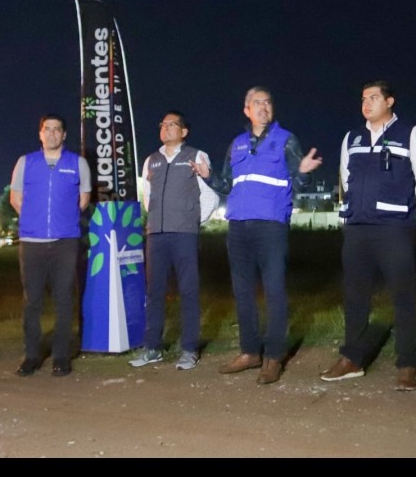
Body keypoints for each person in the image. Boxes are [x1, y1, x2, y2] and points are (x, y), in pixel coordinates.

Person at [192, 86, 322, 384]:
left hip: (271, 226)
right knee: (242, 291)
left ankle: (273, 357)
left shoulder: (286, 140)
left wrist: (304, 171)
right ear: (246, 110)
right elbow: (227, 185)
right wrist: (208, 176)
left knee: (274, 290)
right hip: (238, 226)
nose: (263, 107)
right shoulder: (237, 144)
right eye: (257, 103)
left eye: (267, 102)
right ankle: (250, 352)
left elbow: (300, 184)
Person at [320, 80, 416, 391]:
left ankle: (408, 363)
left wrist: (403, 211)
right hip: (357, 228)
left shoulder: (411, 134)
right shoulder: (352, 138)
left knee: (403, 296)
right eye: (363, 98)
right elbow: (346, 178)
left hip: (394, 229)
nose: (366, 103)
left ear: (390, 101)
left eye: (373, 97)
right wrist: (352, 211)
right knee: (355, 296)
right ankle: (353, 359)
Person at [129, 111, 219, 371]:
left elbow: (211, 196)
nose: (166, 128)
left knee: (188, 291)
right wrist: (158, 218)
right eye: (163, 124)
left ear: (184, 131)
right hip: (156, 234)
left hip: (184, 235)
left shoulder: (196, 156)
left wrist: (192, 219)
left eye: (172, 124)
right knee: (154, 292)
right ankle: (152, 348)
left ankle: (189, 349)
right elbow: (148, 197)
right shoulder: (151, 161)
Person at [10, 114, 91, 378]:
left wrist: (62, 221)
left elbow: (83, 199)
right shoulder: (25, 162)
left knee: (64, 299)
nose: (52, 133)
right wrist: (35, 221)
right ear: (40, 134)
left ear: (64, 135)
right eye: (48, 129)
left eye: (57, 129)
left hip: (65, 242)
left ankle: (61, 356)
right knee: (32, 300)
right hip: (31, 242)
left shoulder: (77, 163)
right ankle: (31, 356)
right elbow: (16, 198)